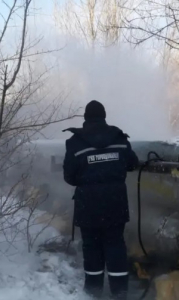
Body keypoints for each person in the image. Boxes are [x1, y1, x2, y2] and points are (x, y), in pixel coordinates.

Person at [63, 100, 139, 299]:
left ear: (86, 119)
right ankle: (120, 291)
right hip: (115, 202)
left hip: (87, 203)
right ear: (104, 116)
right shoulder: (119, 138)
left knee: (91, 245)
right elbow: (132, 164)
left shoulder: (75, 142)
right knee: (115, 244)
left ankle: (94, 290)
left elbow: (69, 177)